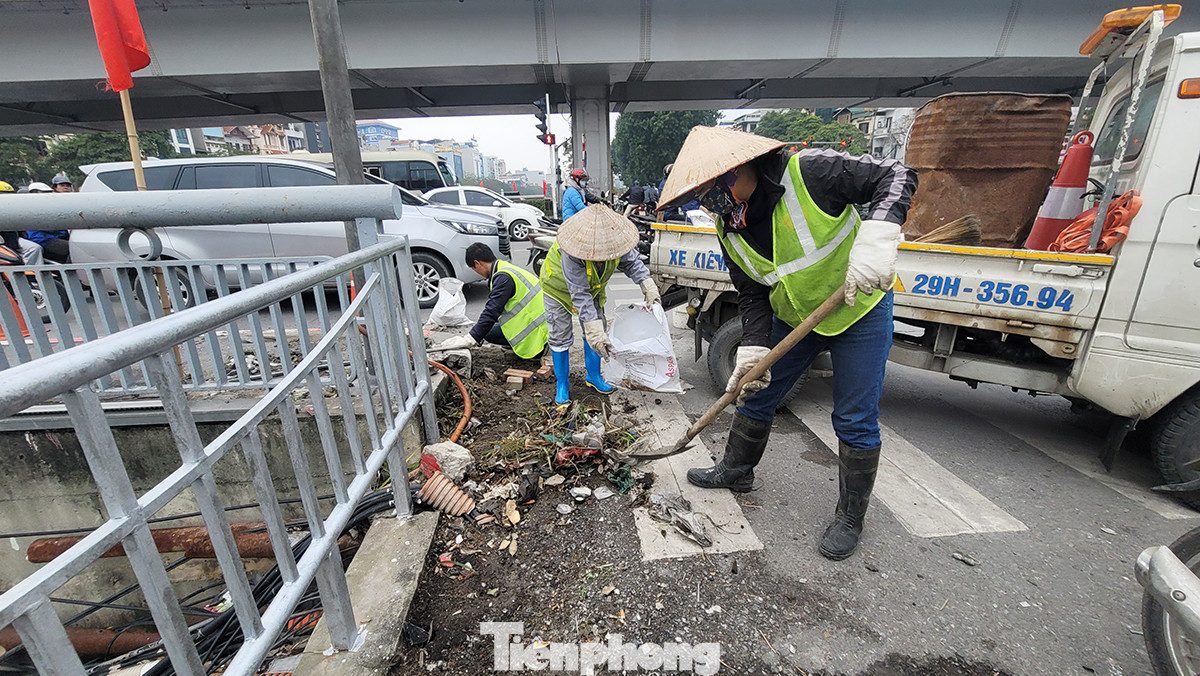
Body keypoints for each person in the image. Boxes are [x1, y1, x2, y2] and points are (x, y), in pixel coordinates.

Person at [659, 125, 917, 561]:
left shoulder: (811, 172)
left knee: (854, 418)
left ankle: (851, 517)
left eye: (716, 192)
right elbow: (752, 291)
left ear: (742, 168)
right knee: (756, 393)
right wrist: (753, 346)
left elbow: (896, 172)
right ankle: (736, 470)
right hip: (795, 316)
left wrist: (879, 233)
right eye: (703, 199)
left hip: (858, 308)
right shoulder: (730, 226)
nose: (714, 206)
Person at [539, 204, 659, 405]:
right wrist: (592, 328)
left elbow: (632, 263)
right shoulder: (572, 249)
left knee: (597, 334)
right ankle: (562, 384)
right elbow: (580, 294)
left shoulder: (616, 240)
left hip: (592, 289)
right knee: (560, 335)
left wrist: (647, 284)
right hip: (557, 289)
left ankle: (593, 376)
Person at [436, 243, 549, 359]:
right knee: (489, 326)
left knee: (489, 333)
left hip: (539, 331)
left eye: (474, 269)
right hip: (546, 323)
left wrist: (471, 338)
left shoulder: (503, 279)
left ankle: (538, 350)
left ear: (477, 263)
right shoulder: (505, 268)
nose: (476, 273)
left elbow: (492, 311)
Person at [24, 182, 70, 263]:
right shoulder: (30, 209)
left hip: (55, 237)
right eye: (44, 193)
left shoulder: (51, 206)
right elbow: (36, 234)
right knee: (73, 248)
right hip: (43, 239)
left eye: (49, 193)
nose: (48, 195)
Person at [0, 181, 45, 265]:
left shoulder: (14, 208)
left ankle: (32, 275)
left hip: (13, 240)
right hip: (4, 243)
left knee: (34, 248)